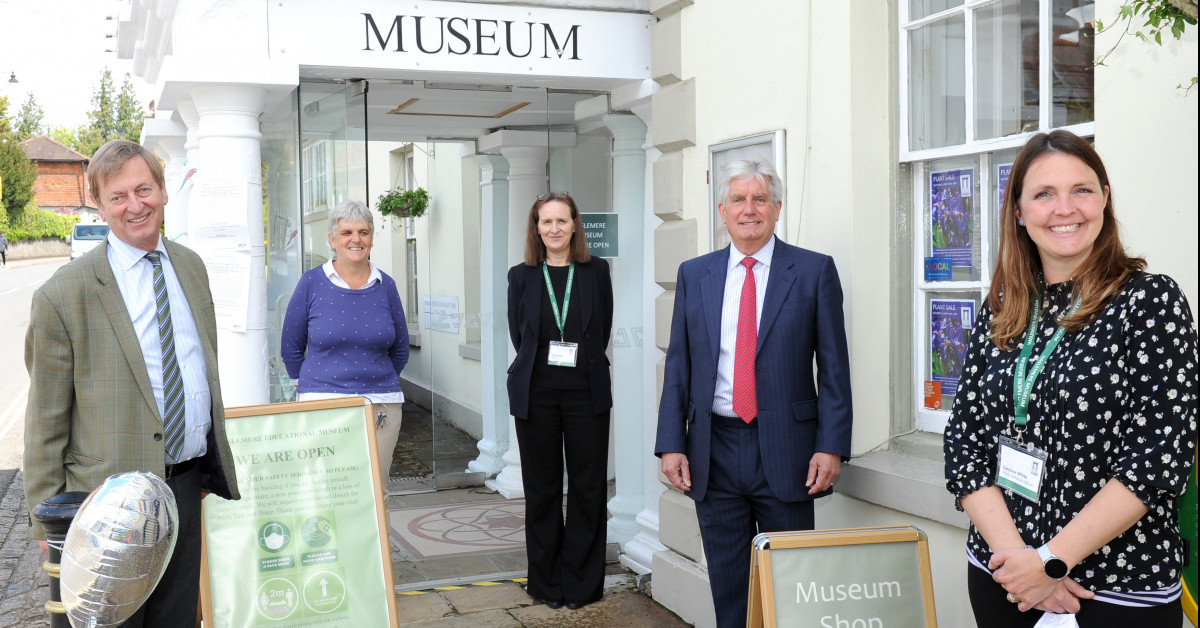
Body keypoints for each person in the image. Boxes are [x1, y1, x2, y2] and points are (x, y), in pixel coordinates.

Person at [944, 130, 1197, 627]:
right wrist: (1021, 564)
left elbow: (1159, 459)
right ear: (1018, 211)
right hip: (1004, 577)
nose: (1065, 208)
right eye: (1043, 194)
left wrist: (1051, 562)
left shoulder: (1150, 303)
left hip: (1115, 588)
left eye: (1081, 190)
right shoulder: (1002, 307)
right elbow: (964, 442)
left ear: (1105, 197)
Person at [24, 139, 240, 627]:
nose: (134, 205)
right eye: (118, 196)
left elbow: (197, 367)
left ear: (164, 191)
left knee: (178, 619)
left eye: (143, 189)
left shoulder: (191, 267)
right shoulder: (64, 293)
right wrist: (46, 519)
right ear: (99, 205)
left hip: (183, 489)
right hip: (102, 505)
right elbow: (45, 418)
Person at [655, 157, 853, 628]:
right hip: (714, 449)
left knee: (791, 582)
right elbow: (678, 364)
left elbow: (834, 369)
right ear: (722, 210)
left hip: (788, 450)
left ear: (777, 207)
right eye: (738, 200)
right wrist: (671, 443)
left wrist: (831, 445)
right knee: (729, 584)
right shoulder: (694, 274)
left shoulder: (813, 272)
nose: (750, 209)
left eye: (760, 198)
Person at [507, 192, 613, 610]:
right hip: (537, 394)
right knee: (543, 490)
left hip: (586, 393)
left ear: (574, 226)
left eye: (561, 221)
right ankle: (547, 583)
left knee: (588, 490)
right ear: (536, 228)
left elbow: (601, 329)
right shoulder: (522, 275)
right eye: (546, 222)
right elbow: (520, 336)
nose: (554, 229)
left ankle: (582, 584)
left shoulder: (595, 271)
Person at [281, 199, 409, 488]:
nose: (356, 239)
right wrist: (314, 384)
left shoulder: (385, 285)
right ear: (332, 239)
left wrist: (377, 379)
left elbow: (400, 348)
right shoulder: (311, 283)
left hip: (381, 406)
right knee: (326, 490)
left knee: (375, 491)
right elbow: (290, 345)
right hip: (323, 405)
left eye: (363, 232)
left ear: (371, 240)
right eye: (347, 232)